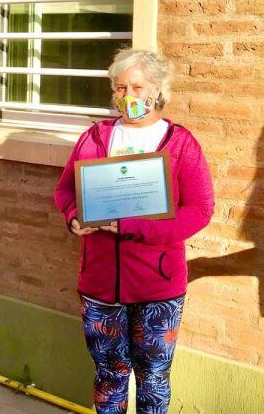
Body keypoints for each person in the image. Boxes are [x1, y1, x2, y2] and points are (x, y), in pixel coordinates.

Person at [55, 49, 214, 414]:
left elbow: (200, 210)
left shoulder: (179, 143)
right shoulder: (95, 137)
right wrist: (74, 215)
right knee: (108, 375)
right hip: (99, 284)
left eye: (137, 87)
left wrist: (137, 227)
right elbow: (64, 189)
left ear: (158, 89)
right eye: (120, 87)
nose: (128, 96)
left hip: (157, 286)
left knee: (153, 377)